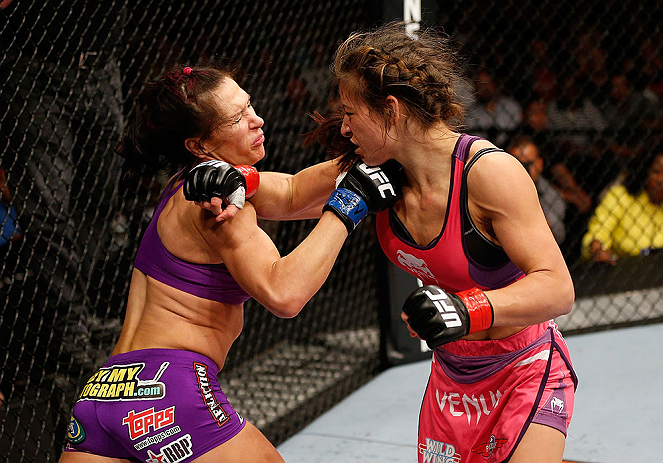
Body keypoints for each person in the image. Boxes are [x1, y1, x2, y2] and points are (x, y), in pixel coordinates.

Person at [195, 22, 578, 463]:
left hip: (524, 367)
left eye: (351, 113)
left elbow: (557, 288)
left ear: (391, 111)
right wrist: (234, 177)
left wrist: (465, 309)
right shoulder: (374, 168)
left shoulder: (489, 174)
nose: (343, 128)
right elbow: (293, 193)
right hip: (454, 375)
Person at [59, 62, 401, 462]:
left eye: (250, 104)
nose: (257, 120)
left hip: (104, 393)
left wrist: (379, 154)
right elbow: (283, 294)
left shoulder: (190, 184)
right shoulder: (219, 207)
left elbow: (292, 192)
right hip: (167, 392)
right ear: (199, 145)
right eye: (238, 117)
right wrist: (348, 206)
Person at [581, 149, 663, 263]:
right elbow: (600, 229)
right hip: (624, 270)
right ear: (645, 171)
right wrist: (597, 247)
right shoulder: (620, 196)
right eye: (656, 172)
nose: (661, 179)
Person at [507, 135, 567, 244]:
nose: (523, 169)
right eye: (518, 163)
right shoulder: (496, 188)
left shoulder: (551, 194)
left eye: (528, 164)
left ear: (539, 164)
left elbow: (554, 235)